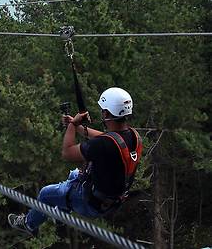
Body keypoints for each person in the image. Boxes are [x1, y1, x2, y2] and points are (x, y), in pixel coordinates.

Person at [8, 87, 142, 237]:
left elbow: (67, 152)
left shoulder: (103, 144)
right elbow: (108, 138)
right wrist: (77, 126)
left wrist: (72, 126)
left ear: (106, 113)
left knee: (45, 194)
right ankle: (61, 213)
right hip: (111, 200)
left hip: (91, 203)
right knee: (73, 174)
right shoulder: (133, 136)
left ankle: (28, 224)